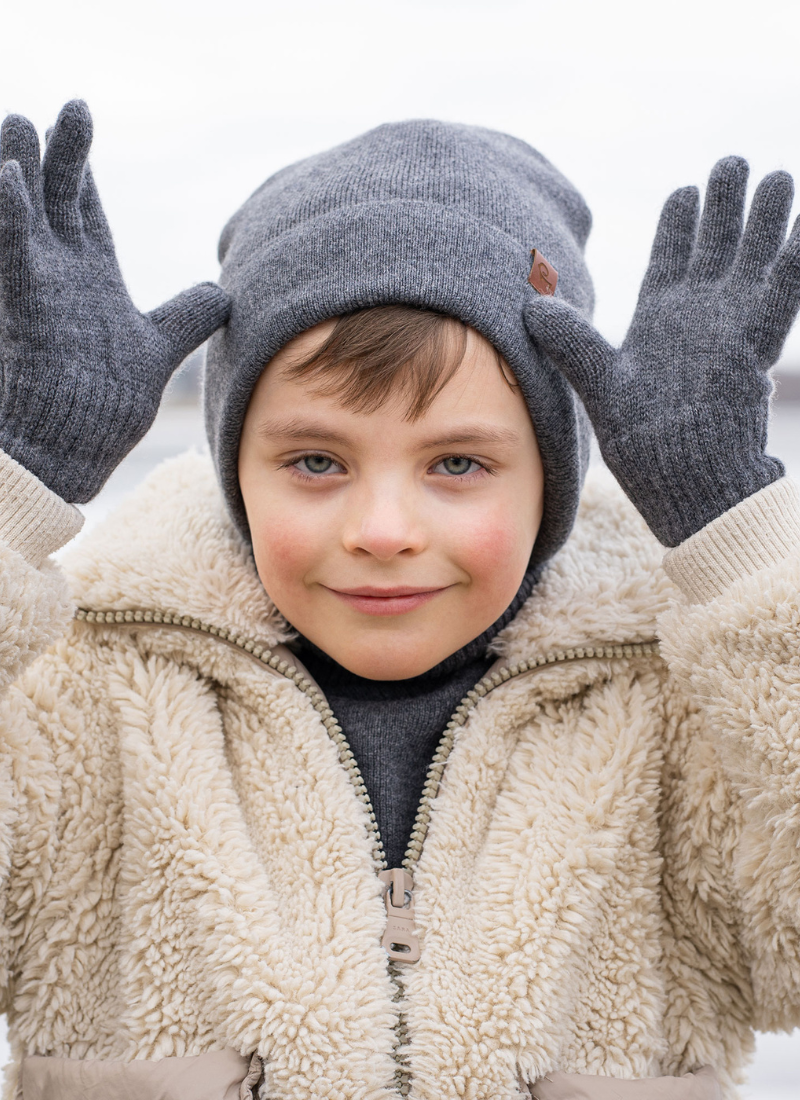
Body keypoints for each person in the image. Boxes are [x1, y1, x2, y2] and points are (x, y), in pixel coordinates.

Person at [0, 99, 798, 1100]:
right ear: (232, 467)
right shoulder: (84, 692)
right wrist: (19, 491)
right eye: (316, 459)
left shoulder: (679, 707)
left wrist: (730, 547)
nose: (383, 527)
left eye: (457, 461)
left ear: (549, 478)